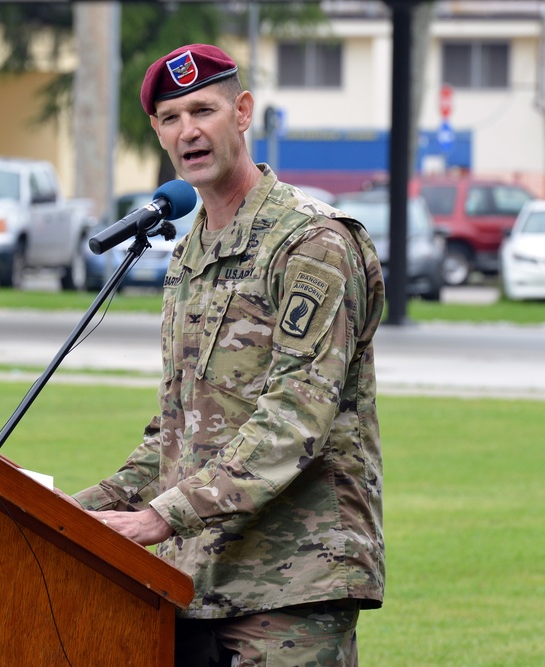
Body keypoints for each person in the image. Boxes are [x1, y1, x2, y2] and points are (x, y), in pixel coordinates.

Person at [67, 45, 386, 665]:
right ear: (158, 134)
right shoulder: (190, 255)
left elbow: (296, 416)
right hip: (195, 579)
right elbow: (178, 430)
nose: (188, 130)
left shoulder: (309, 242)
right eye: (170, 117)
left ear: (242, 112)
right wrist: (74, 512)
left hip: (293, 579)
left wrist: (163, 516)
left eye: (203, 110)